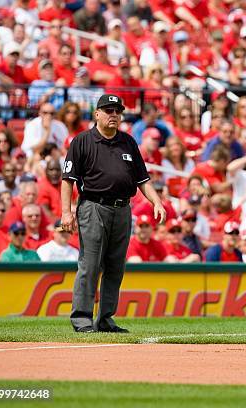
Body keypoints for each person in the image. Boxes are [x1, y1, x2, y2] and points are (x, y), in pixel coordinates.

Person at [61, 94, 167, 333]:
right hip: (93, 206)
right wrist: (66, 212)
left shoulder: (128, 142)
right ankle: (82, 319)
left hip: (122, 209)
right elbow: (68, 179)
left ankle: (105, 319)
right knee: (90, 264)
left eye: (117, 111)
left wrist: (157, 202)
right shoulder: (83, 141)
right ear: (97, 114)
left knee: (115, 266)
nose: (114, 115)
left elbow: (143, 179)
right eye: (108, 111)